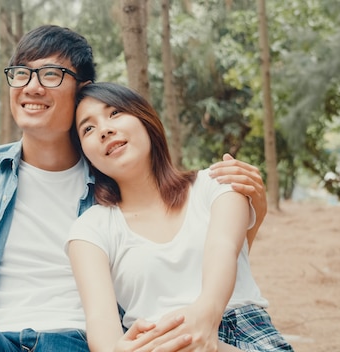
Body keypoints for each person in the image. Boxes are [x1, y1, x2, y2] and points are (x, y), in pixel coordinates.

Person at [0, 25, 269, 352]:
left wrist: (254, 212)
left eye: (49, 74)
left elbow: (191, 244)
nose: (31, 86)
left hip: (82, 340)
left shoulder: (113, 177)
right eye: (21, 73)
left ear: (82, 89)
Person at [67, 82, 293, 352]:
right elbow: (101, 321)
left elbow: (223, 246)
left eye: (115, 113)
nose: (104, 130)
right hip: (156, 344)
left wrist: (204, 317)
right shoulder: (89, 230)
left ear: (145, 120)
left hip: (241, 334)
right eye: (88, 128)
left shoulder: (217, 183)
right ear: (86, 155)